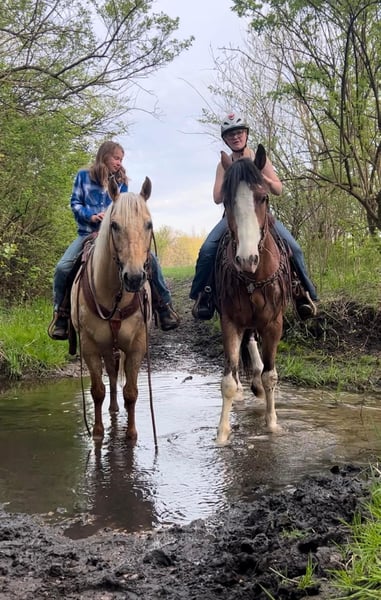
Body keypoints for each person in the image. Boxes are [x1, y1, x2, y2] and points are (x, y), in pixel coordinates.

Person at [190, 112, 318, 320]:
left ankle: (303, 292)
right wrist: (233, 182)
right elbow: (216, 197)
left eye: (239, 132)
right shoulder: (224, 164)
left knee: (294, 248)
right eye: (230, 135)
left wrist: (263, 178)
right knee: (207, 250)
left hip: (262, 217)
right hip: (233, 218)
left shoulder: (259, 159)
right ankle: (203, 295)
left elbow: (278, 189)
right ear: (225, 140)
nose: (235, 137)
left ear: (246, 134)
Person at [49, 140, 179, 340]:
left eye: (121, 159)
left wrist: (114, 219)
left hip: (115, 236)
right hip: (88, 233)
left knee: (150, 259)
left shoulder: (122, 181)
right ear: (105, 156)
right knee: (63, 267)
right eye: (116, 158)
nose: (119, 162)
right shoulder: (83, 176)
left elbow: (124, 211)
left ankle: (164, 306)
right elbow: (74, 203)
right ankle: (61, 314)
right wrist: (91, 216)